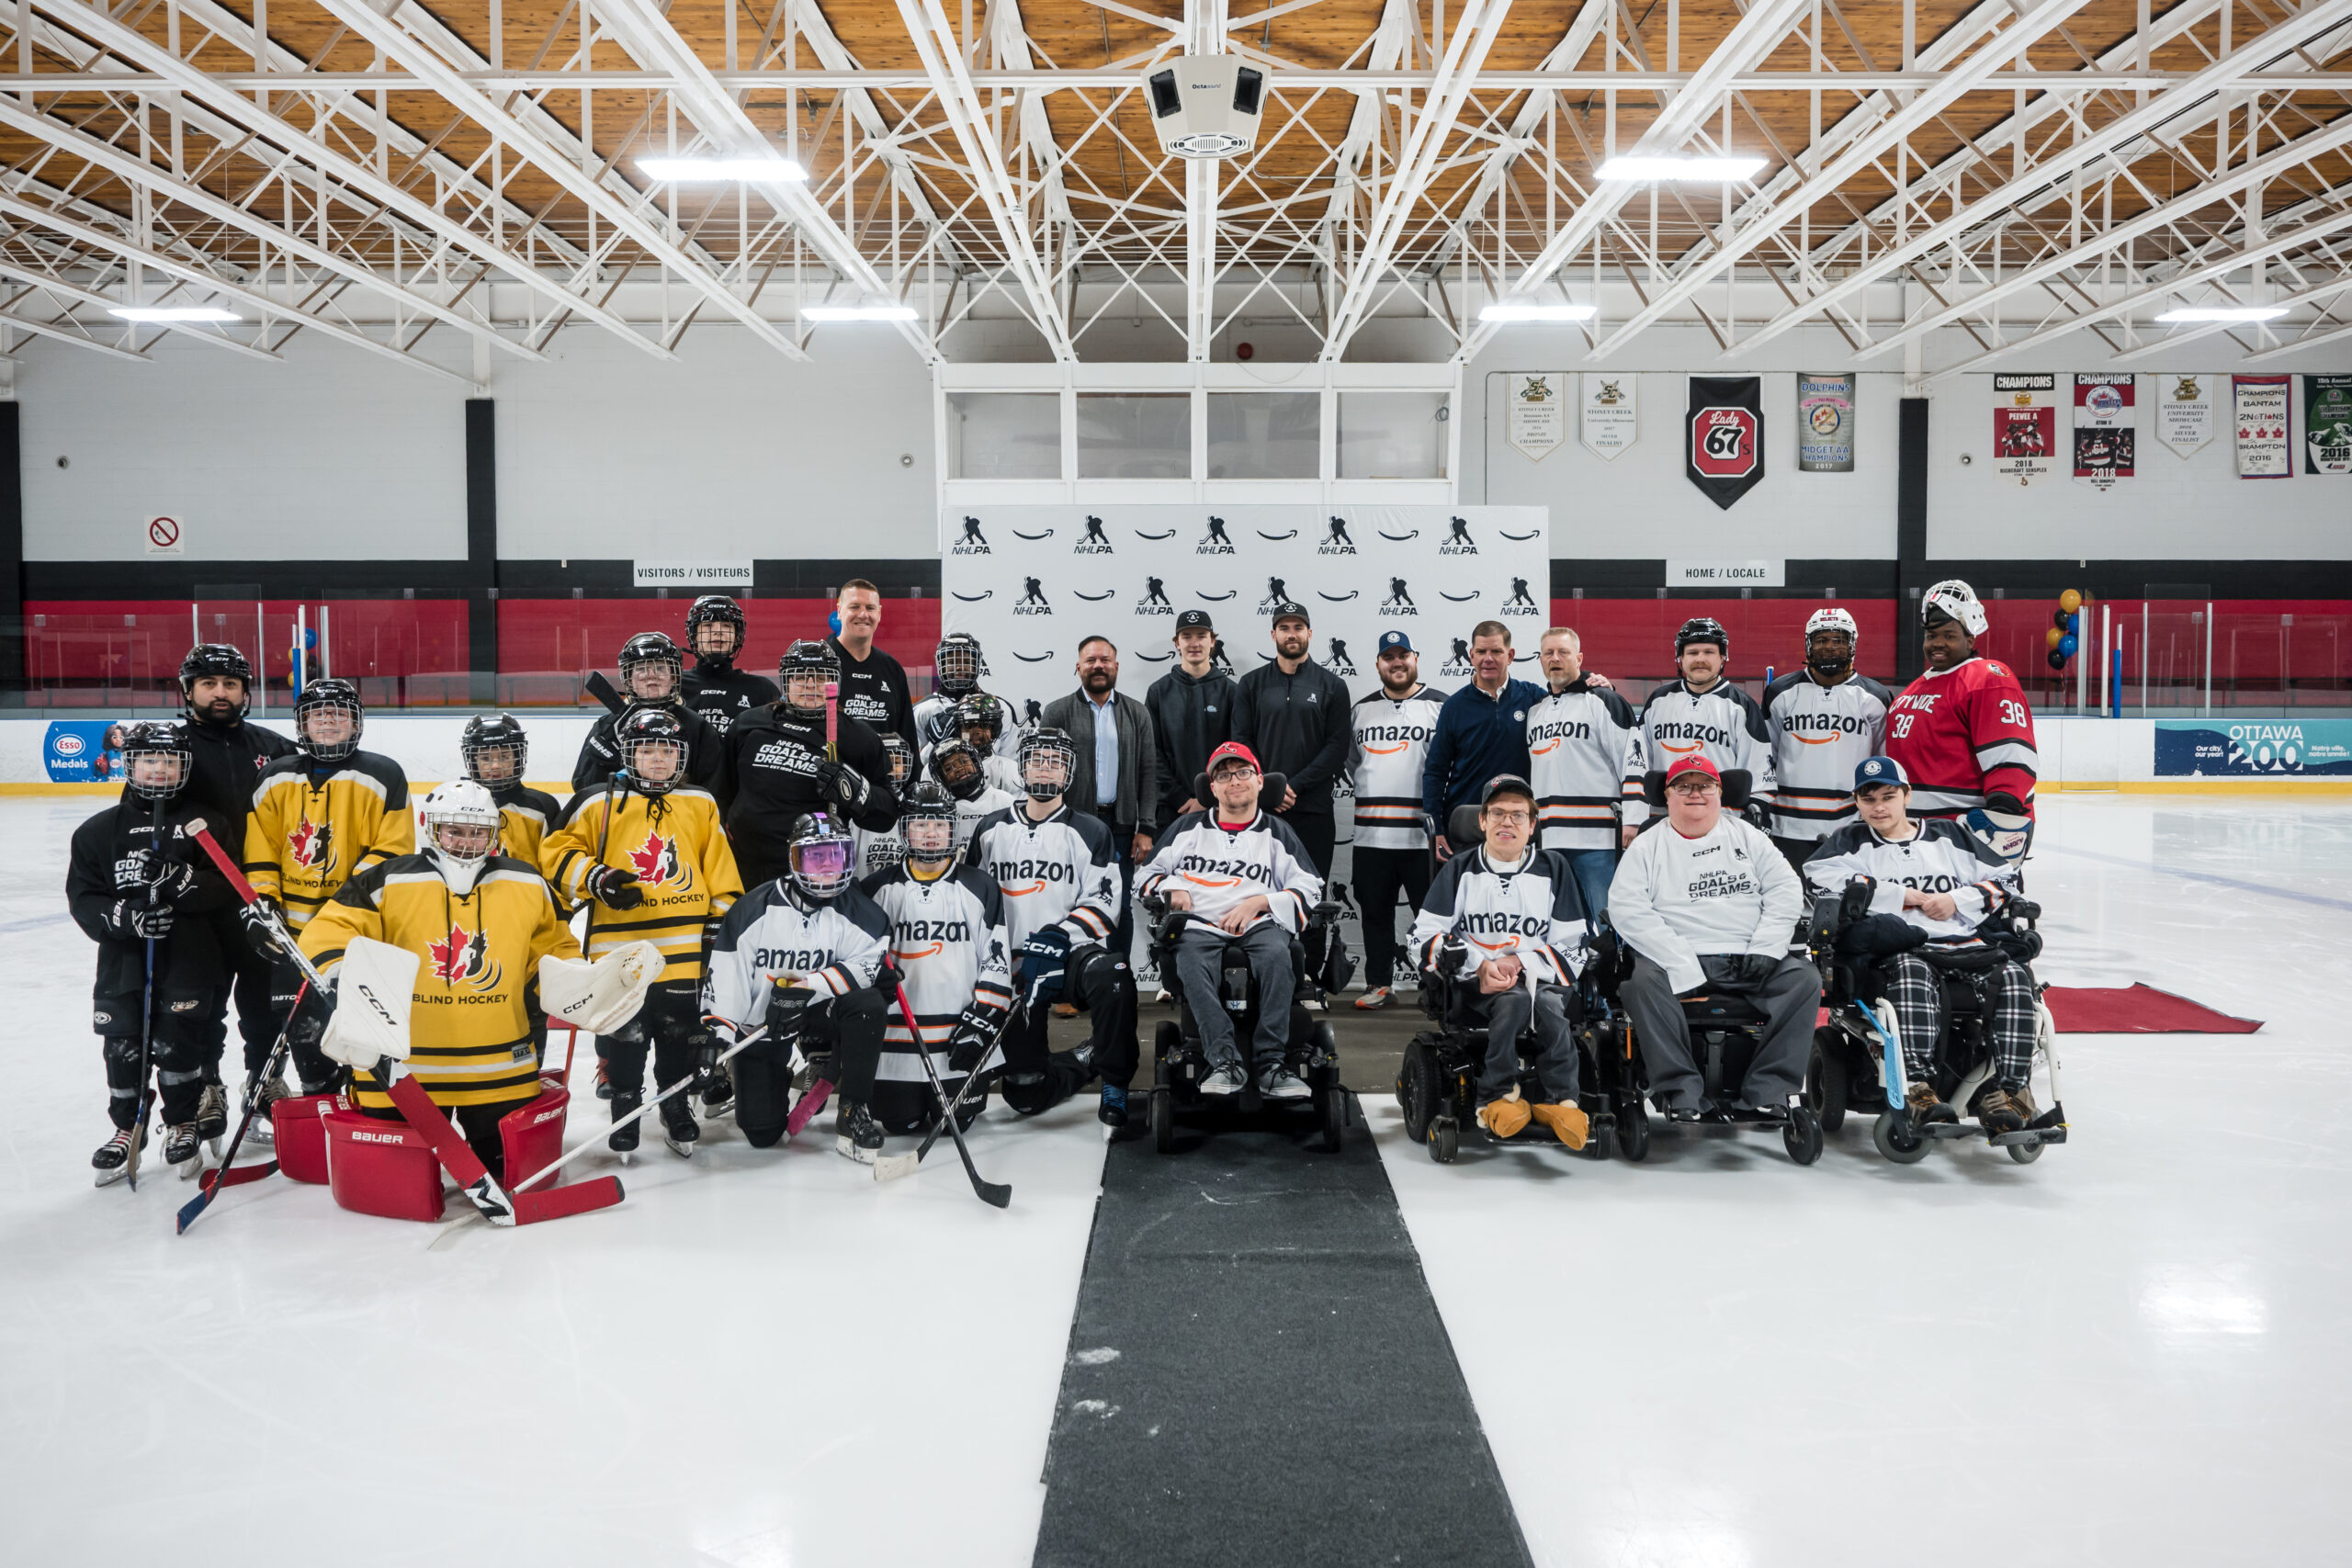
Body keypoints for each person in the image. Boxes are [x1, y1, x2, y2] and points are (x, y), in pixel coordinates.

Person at [296, 781, 581, 1182]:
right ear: (432, 829)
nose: (467, 842)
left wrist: (578, 983)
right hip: (402, 1071)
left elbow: (554, 948)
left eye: (478, 831)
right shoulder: (388, 879)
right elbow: (329, 929)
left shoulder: (527, 882)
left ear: (494, 833)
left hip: (498, 1072)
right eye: (456, 831)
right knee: (396, 1184)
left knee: (510, 1174)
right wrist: (346, 974)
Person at [542, 706, 742, 1157]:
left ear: (681, 757)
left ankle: (675, 1106)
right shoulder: (598, 802)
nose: (657, 760)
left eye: (667, 751)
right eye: (646, 750)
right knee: (625, 1036)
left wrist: (718, 925)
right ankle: (626, 1109)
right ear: (627, 754)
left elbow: (723, 874)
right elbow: (555, 853)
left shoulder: (701, 802)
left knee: (679, 1035)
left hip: (684, 952)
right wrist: (598, 878)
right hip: (621, 954)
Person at [1802, 756, 2041, 1132]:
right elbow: (1818, 881)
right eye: (1869, 800)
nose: (1879, 807)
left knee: (2013, 977)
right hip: (1903, 950)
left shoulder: (1950, 836)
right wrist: (1900, 896)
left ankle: (2011, 1093)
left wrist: (1958, 901)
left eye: (1888, 796)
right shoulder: (1849, 842)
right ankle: (1919, 1089)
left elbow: (2007, 880)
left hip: (1968, 943)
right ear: (1856, 802)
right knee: (1912, 973)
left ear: (1907, 795)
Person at [66, 722, 235, 1183]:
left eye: (170, 761)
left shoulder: (207, 824)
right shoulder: (98, 832)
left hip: (190, 959)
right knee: (121, 1045)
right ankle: (126, 1127)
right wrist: (128, 918)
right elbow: (84, 899)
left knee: (179, 1043)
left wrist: (180, 882)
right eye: (148, 760)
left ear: (184, 766)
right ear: (129, 764)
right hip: (123, 964)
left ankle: (182, 1122)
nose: (159, 770)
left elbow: (227, 890)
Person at [1608, 754, 1817, 1122]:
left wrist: (1768, 948)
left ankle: (1769, 1090)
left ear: (1720, 793)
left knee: (1804, 980)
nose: (1695, 794)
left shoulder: (1748, 837)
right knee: (1639, 984)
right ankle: (1680, 1089)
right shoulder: (1647, 845)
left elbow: (1786, 889)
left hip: (1748, 954)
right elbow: (1627, 908)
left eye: (1704, 785)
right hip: (1676, 959)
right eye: (1683, 786)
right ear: (1667, 795)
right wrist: (1680, 960)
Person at [242, 677, 413, 1097]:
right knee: (302, 1031)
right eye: (318, 715)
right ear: (302, 724)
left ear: (357, 723)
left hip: (354, 936)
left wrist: (342, 909)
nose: (329, 722)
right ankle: (319, 1099)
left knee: (362, 1029)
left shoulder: (384, 774)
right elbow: (261, 847)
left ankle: (366, 1106)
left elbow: (392, 852)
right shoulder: (275, 776)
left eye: (339, 714)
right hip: (291, 937)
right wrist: (264, 903)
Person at [964, 728, 1137, 1128]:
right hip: (1009, 966)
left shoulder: (1091, 830)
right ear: (1021, 767)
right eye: (1037, 759)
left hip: (1068, 954)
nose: (1045, 767)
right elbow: (971, 901)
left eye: (1055, 761)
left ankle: (1115, 1082)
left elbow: (1105, 903)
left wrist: (1059, 937)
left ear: (1068, 772)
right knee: (1025, 1095)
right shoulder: (990, 829)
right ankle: (1084, 1058)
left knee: (1113, 976)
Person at [1408, 774, 1590, 1147]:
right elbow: (1421, 937)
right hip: (1476, 983)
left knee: (1549, 1005)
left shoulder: (1554, 868)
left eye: (1518, 815)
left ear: (1533, 825)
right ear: (1482, 821)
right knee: (1515, 1000)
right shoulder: (1459, 869)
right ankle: (1497, 1095)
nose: (1507, 823)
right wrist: (1478, 966)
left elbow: (1574, 943)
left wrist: (1521, 963)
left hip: (1540, 975)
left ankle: (1564, 1102)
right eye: (1498, 813)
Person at [701, 812, 893, 1162]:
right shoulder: (752, 910)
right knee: (761, 1134)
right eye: (815, 856)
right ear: (794, 859)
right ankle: (768, 1071)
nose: (827, 867)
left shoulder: (862, 912)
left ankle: (852, 1110)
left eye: (835, 856)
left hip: (820, 1012)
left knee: (868, 1005)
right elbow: (728, 976)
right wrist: (716, 1040)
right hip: (764, 1023)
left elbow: (867, 964)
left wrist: (808, 987)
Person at [1136, 742, 1324, 1100]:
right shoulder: (1185, 828)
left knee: (1276, 957)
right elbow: (1144, 877)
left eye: (1242, 773)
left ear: (1259, 782)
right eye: (1223, 775)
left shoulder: (1276, 831)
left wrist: (1261, 902)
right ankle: (1224, 1060)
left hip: (1259, 924)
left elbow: (1310, 887)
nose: (1233, 781)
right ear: (1212, 788)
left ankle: (1271, 1063)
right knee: (1189, 959)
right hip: (1199, 923)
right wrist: (1173, 888)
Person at [173, 644, 297, 1133]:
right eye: (209, 684)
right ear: (189, 691)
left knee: (267, 1003)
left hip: (263, 898)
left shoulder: (276, 747)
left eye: (230, 684)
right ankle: (208, 1086)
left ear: (246, 691)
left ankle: (264, 1081)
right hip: (198, 903)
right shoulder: (170, 750)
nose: (220, 693)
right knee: (202, 1003)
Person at [858, 782, 1015, 1133]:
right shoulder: (876, 889)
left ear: (952, 830)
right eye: (920, 825)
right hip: (896, 1043)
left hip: (956, 1036)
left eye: (939, 825)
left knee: (953, 1124)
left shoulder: (979, 886)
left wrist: (979, 1022)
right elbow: (860, 958)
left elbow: (996, 960)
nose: (931, 834)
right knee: (900, 1123)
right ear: (905, 831)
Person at [721, 638, 899, 890]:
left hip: (814, 873)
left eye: (820, 677)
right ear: (786, 681)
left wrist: (857, 793)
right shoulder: (748, 723)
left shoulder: (858, 736)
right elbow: (724, 790)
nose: (809, 685)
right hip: (741, 867)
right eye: (800, 677)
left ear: (834, 683)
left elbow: (887, 815)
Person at [1884, 580, 2039, 868]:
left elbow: (2012, 760)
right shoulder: (1910, 692)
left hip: (1966, 839)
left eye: (1949, 635)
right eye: (1931, 635)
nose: (1937, 643)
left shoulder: (1988, 679)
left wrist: (1999, 829)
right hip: (1918, 838)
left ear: (1970, 639)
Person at [1038, 637, 1157, 964]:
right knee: (1066, 903)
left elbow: (1149, 772)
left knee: (1118, 906)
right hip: (1071, 825)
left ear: (1116, 667)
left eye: (1105, 660)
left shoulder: (1136, 713)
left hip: (1120, 826)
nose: (1098, 666)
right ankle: (1065, 984)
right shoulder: (1058, 711)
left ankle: (1119, 980)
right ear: (1078, 668)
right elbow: (1045, 772)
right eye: (1091, 661)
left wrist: (1145, 827)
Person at [1349, 631, 1446, 1009]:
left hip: (1421, 838)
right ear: (1378, 664)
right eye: (1388, 657)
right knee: (1375, 913)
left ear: (1415, 658)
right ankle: (1379, 985)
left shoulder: (1441, 706)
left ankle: (1435, 987)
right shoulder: (1361, 710)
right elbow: (1353, 763)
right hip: (1371, 836)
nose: (1397, 662)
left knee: (1430, 915)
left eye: (1403, 654)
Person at [1620, 617, 1775, 843]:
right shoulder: (1659, 700)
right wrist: (1633, 820)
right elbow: (1638, 764)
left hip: (1721, 826)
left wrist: (1750, 827)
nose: (1700, 659)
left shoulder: (1741, 705)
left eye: (1708, 652)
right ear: (1680, 659)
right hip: (1664, 824)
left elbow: (1761, 773)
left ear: (1723, 658)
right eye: (1692, 653)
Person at [1762, 608, 1892, 874]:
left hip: (1852, 822)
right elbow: (1767, 756)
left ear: (1852, 645)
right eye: (1821, 640)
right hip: (1788, 822)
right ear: (1808, 645)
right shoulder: (1780, 692)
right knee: (1795, 902)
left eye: (1838, 641)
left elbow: (1881, 763)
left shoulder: (1876, 697)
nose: (1830, 648)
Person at [1524, 626, 1641, 919]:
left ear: (1579, 658)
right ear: (1540, 660)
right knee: (1557, 922)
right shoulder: (1535, 712)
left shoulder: (1605, 700)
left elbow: (1634, 761)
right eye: (1548, 653)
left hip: (1598, 839)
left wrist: (1634, 820)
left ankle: (1614, 968)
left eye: (1563, 652)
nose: (1555, 658)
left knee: (1605, 921)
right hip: (1548, 839)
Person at [1229, 604, 1351, 878]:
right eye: (1284, 628)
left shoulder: (1333, 685)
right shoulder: (1251, 683)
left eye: (1298, 628)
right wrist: (1268, 787)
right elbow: (1241, 741)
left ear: (1309, 633)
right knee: (1257, 892)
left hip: (1313, 810)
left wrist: (1292, 786)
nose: (1291, 634)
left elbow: (1337, 747)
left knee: (1311, 895)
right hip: (1261, 808)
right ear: (1274, 635)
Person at [1424, 621, 1545, 859]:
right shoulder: (1453, 707)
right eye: (1481, 652)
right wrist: (1436, 830)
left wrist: (1592, 681)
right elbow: (1435, 772)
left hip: (1519, 826)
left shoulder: (1534, 698)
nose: (1487, 659)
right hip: (1467, 826)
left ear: (1510, 656)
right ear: (1471, 655)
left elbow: (1568, 696)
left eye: (1496, 652)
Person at [571, 633, 727, 797]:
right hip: (623, 817)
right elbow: (582, 786)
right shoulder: (607, 727)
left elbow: (714, 789)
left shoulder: (698, 727)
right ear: (629, 680)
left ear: (673, 677)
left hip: (678, 818)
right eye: (641, 668)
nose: (651, 674)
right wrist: (605, 760)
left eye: (660, 668)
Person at [1146, 609, 1237, 835]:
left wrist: (1207, 798)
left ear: (1212, 641)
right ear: (1177, 643)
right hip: (1171, 809)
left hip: (1220, 807)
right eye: (1187, 637)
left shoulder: (1231, 692)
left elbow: (1236, 751)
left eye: (1201, 636)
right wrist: (1180, 797)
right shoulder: (1159, 691)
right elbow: (1151, 752)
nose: (1194, 643)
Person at [460, 713, 562, 874]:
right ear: (474, 762)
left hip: (529, 895)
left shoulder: (542, 807)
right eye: (485, 758)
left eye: (504, 757)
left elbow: (557, 864)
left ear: (517, 758)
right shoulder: (458, 805)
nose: (495, 766)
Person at [828, 578, 919, 750]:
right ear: (839, 611)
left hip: (884, 777)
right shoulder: (820, 666)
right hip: (833, 776)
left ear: (879, 613)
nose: (863, 615)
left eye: (870, 608)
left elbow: (908, 739)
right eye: (854, 607)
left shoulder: (892, 669)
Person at [679, 595, 780, 735]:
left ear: (737, 636)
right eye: (708, 625)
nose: (718, 631)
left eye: (726, 626)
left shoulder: (762, 689)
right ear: (694, 635)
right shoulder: (676, 685)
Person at [912, 633, 1015, 760]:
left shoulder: (1000, 707)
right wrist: (935, 744)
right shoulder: (923, 710)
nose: (959, 667)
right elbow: (916, 762)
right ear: (940, 664)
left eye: (967, 661)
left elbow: (1009, 760)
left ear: (977, 664)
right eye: (951, 662)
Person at [928, 738, 1018, 853]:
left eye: (964, 762)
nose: (959, 769)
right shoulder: (943, 812)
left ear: (976, 763)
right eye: (949, 769)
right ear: (941, 778)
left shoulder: (1005, 800)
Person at [925, 694, 1021, 795]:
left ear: (994, 730)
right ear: (958, 730)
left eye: (984, 725)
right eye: (968, 726)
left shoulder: (1010, 769)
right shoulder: (935, 770)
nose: (976, 732)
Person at [853, 735, 918, 882]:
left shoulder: (915, 806)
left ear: (907, 765)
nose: (891, 768)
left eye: (897, 762)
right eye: (885, 762)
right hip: (863, 886)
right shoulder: (857, 802)